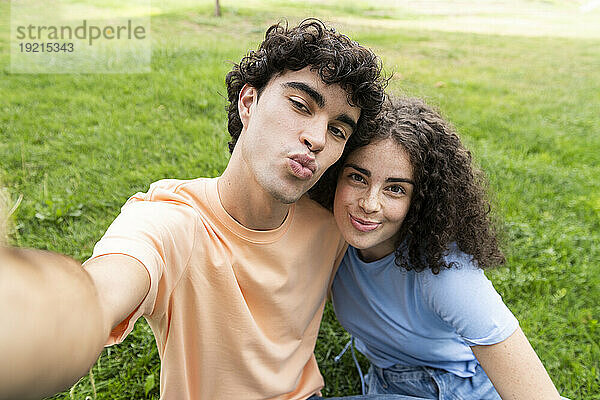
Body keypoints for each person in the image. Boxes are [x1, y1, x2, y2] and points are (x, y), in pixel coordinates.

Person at [1, 19, 430, 400]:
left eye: (338, 129)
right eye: (301, 105)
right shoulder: (173, 222)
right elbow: (97, 295)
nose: (317, 138)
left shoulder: (332, 223)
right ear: (249, 103)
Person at [310, 97, 566, 400]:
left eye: (395, 189)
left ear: (421, 201)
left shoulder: (444, 272)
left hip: (455, 388)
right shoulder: (330, 241)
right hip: (390, 382)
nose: (369, 204)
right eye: (357, 177)